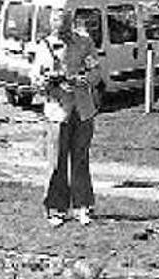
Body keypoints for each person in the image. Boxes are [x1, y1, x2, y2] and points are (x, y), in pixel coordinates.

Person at [33, 9, 102, 227]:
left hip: (82, 110)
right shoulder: (44, 46)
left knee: (81, 160)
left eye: (64, 27)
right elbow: (35, 77)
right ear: (51, 25)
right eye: (56, 27)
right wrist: (45, 82)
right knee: (56, 162)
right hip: (57, 112)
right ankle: (56, 208)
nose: (60, 31)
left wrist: (84, 79)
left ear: (70, 24)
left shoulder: (84, 42)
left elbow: (96, 71)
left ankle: (83, 206)